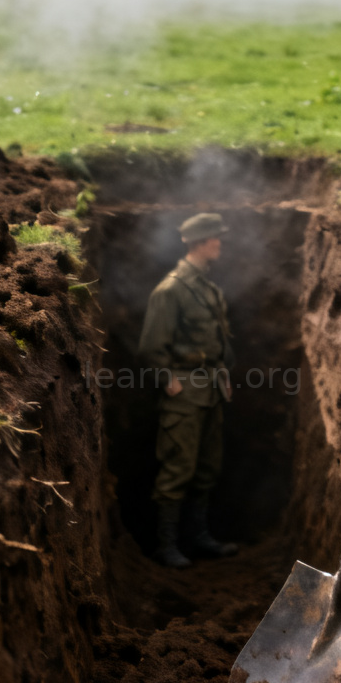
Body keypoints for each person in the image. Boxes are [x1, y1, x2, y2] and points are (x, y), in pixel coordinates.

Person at [138, 212, 239, 568]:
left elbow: (216, 340)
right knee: (177, 469)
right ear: (199, 243)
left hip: (210, 388)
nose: (219, 244)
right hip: (185, 392)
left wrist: (222, 375)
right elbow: (152, 346)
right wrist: (170, 381)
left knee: (207, 467)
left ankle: (198, 538)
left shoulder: (207, 288)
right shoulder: (171, 290)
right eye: (215, 239)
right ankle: (165, 545)